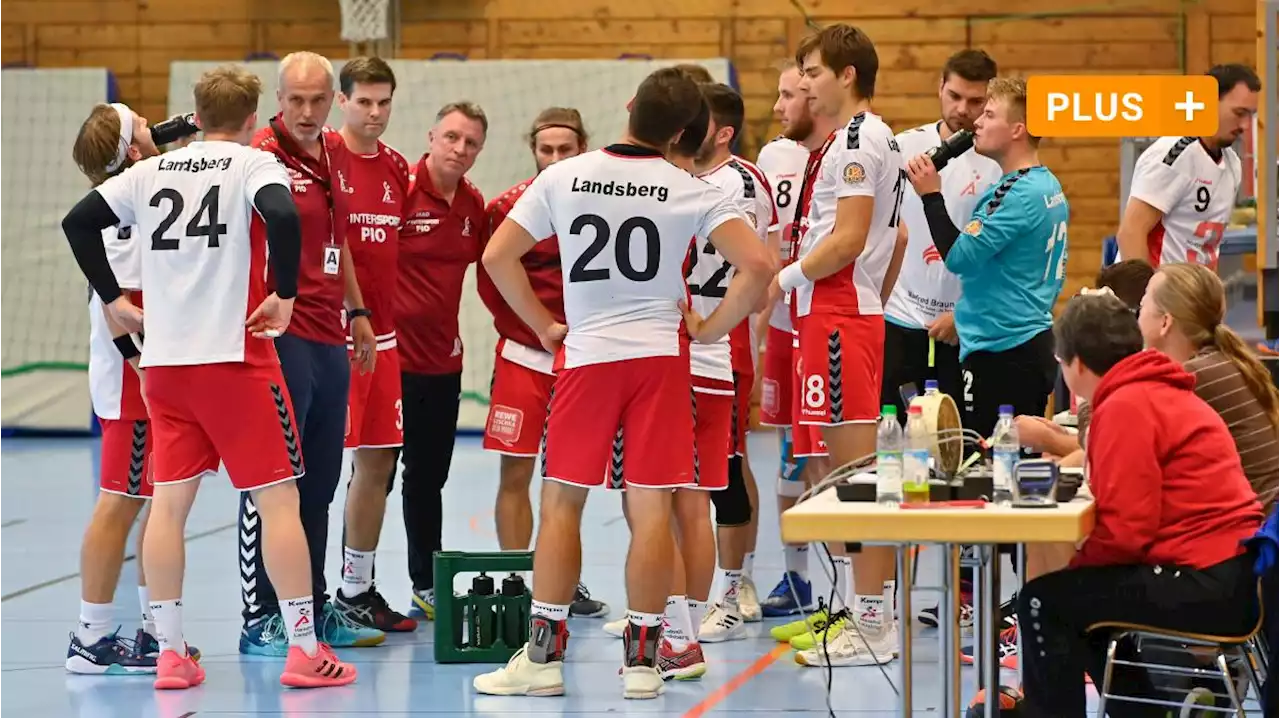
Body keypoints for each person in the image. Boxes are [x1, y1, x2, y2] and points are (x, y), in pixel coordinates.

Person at [471, 66, 772, 699]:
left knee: (561, 505)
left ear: (630, 108)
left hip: (586, 359)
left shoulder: (562, 175)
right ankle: (642, 663)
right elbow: (761, 264)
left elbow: (497, 255)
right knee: (650, 508)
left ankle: (544, 660)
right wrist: (713, 328)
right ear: (688, 130)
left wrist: (544, 326)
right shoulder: (691, 184)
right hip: (662, 360)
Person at [61, 63, 359, 691]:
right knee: (280, 500)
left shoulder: (145, 171)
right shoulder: (253, 163)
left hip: (166, 370)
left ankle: (169, 654)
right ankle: (303, 649)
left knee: (167, 507)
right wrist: (283, 293)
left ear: (195, 116)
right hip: (235, 362)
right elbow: (284, 216)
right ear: (255, 120)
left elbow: (77, 223)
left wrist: (114, 299)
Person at [1017, 291, 1263, 717]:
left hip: (1208, 583)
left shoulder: (1126, 405)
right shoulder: (1155, 388)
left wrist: (1079, 561)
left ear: (1075, 364)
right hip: (1231, 572)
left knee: (1042, 600)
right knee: (1082, 600)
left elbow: (1129, 531)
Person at [237, 51, 383, 655]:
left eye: (317, 100)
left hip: (329, 335)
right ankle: (261, 615)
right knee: (273, 481)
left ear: (333, 101)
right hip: (278, 338)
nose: (305, 111)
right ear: (278, 99)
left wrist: (358, 311)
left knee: (320, 482)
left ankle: (313, 607)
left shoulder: (336, 155)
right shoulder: (256, 158)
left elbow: (338, 241)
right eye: (294, 99)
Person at [774, 24, 909, 667]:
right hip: (835, 312)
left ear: (846, 75)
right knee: (841, 472)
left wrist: (786, 277)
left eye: (813, 70)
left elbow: (851, 237)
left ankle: (876, 625)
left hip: (836, 313)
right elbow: (890, 240)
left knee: (859, 477)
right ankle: (862, 612)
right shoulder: (849, 140)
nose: (804, 82)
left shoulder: (859, 138)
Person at [63, 102, 204, 675]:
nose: (155, 123)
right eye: (143, 123)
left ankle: (151, 629)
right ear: (134, 152)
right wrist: (143, 369)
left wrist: (183, 129)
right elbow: (114, 306)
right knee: (119, 501)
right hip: (133, 381)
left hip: (142, 376)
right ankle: (90, 638)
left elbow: (161, 137)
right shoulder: (122, 215)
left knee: (152, 503)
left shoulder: (134, 187)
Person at [883, 49, 1003, 634]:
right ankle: (880, 598)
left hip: (964, 329)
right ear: (940, 89)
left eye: (977, 102)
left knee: (963, 464)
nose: (963, 110)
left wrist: (965, 310)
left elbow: (1000, 252)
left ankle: (964, 594)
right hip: (900, 321)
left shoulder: (1002, 162)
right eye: (954, 96)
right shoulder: (903, 148)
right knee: (893, 458)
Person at [478, 107, 606, 619]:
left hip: (583, 360)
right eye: (546, 149)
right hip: (523, 358)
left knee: (569, 479)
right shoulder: (508, 207)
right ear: (533, 149)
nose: (554, 158)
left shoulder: (604, 204)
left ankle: (560, 583)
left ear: (583, 149)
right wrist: (537, 331)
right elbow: (492, 284)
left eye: (565, 149)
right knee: (516, 474)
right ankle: (516, 581)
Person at [327, 57, 417, 633]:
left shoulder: (396, 167)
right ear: (343, 101)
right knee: (312, 471)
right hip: (325, 338)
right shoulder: (320, 159)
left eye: (384, 102)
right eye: (365, 101)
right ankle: (300, 599)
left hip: (382, 339)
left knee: (378, 464)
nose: (376, 112)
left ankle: (356, 590)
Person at [393, 101, 489, 619]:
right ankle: (351, 587)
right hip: (387, 362)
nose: (459, 149)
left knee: (428, 477)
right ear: (431, 135)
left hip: (442, 365)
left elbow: (495, 271)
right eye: (451, 137)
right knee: (374, 475)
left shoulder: (473, 206)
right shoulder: (400, 190)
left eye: (471, 142)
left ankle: (424, 582)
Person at [690, 82, 777, 641]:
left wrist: (751, 333)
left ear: (720, 131)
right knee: (682, 468)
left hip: (723, 334)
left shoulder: (738, 181)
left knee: (725, 461)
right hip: (676, 333)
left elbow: (758, 265)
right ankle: (682, 592)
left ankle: (731, 584)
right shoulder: (679, 174)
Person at [755, 60, 838, 620]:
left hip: (826, 318)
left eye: (790, 95)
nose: (780, 106)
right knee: (789, 447)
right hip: (783, 325)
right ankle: (797, 575)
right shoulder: (772, 156)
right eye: (779, 94)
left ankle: (848, 589)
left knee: (829, 452)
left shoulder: (844, 150)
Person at [1116, 64, 1259, 270]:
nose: (1246, 125)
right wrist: (1145, 297)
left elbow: (1207, 249)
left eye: (1251, 115)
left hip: (1191, 297)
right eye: (1239, 113)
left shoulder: (1232, 165)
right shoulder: (1175, 155)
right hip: (1158, 296)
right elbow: (1131, 233)